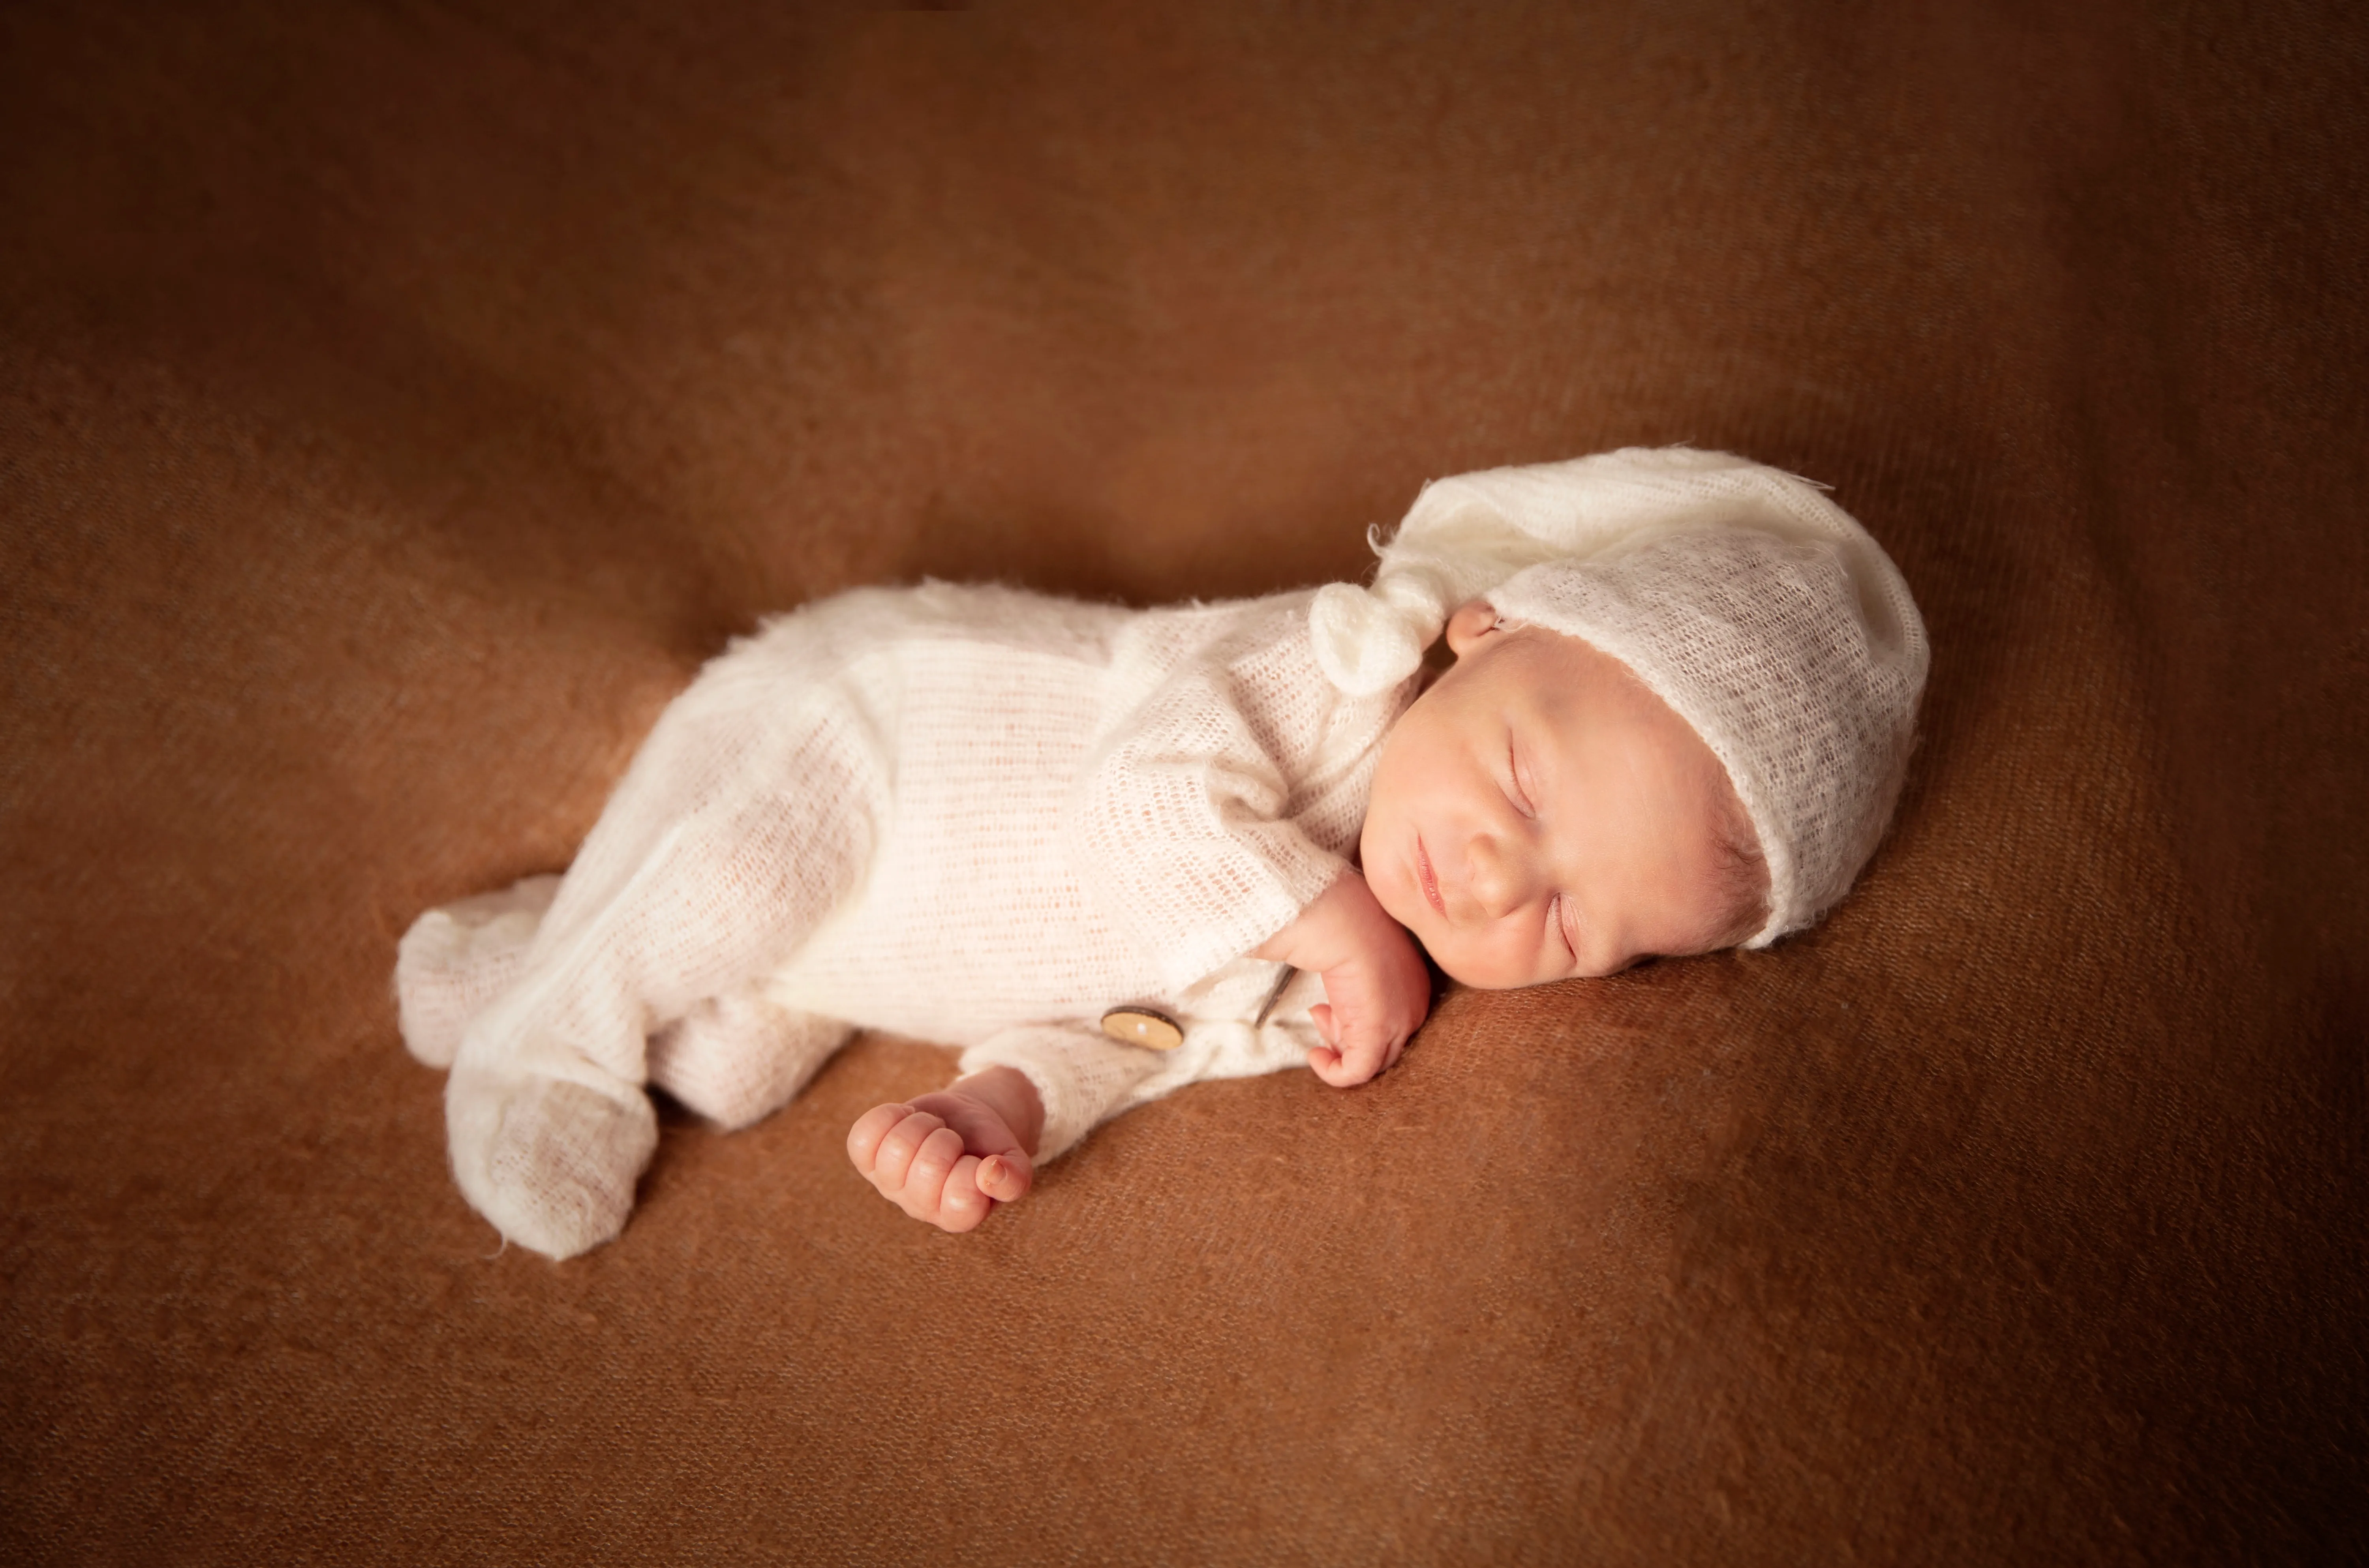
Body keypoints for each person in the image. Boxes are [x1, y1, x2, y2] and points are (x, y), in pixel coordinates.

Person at [395, 447, 1929, 1258]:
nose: (1500, 882)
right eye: (1525, 785)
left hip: (881, 954)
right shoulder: (1328, 673)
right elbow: (1147, 810)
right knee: (725, 887)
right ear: (1490, 626)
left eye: (1584, 928)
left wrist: (1006, 1102)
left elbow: (1152, 1020)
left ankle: (527, 953)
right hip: (860, 737)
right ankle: (539, 1056)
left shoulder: (1365, 971)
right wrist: (1341, 929)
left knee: (734, 1067)